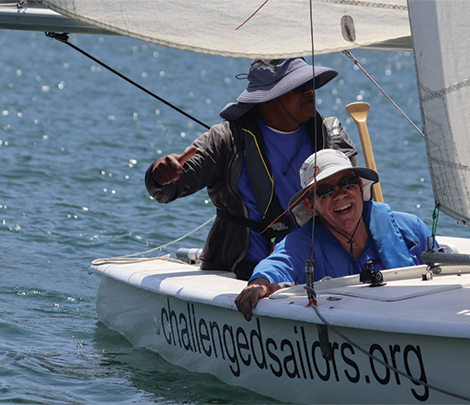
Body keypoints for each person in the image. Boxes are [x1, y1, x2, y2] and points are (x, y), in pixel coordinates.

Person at [145, 58, 358, 280]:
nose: (310, 91)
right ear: (267, 98)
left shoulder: (331, 136)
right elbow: (165, 191)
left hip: (318, 268)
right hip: (241, 269)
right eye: (298, 86)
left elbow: (360, 199)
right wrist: (159, 176)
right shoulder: (225, 139)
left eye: (311, 82)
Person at [235, 149, 436, 321]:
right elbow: (277, 265)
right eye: (325, 191)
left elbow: (447, 271)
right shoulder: (302, 244)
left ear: (359, 186)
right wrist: (259, 283)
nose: (340, 195)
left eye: (347, 183)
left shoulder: (412, 228)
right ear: (310, 205)